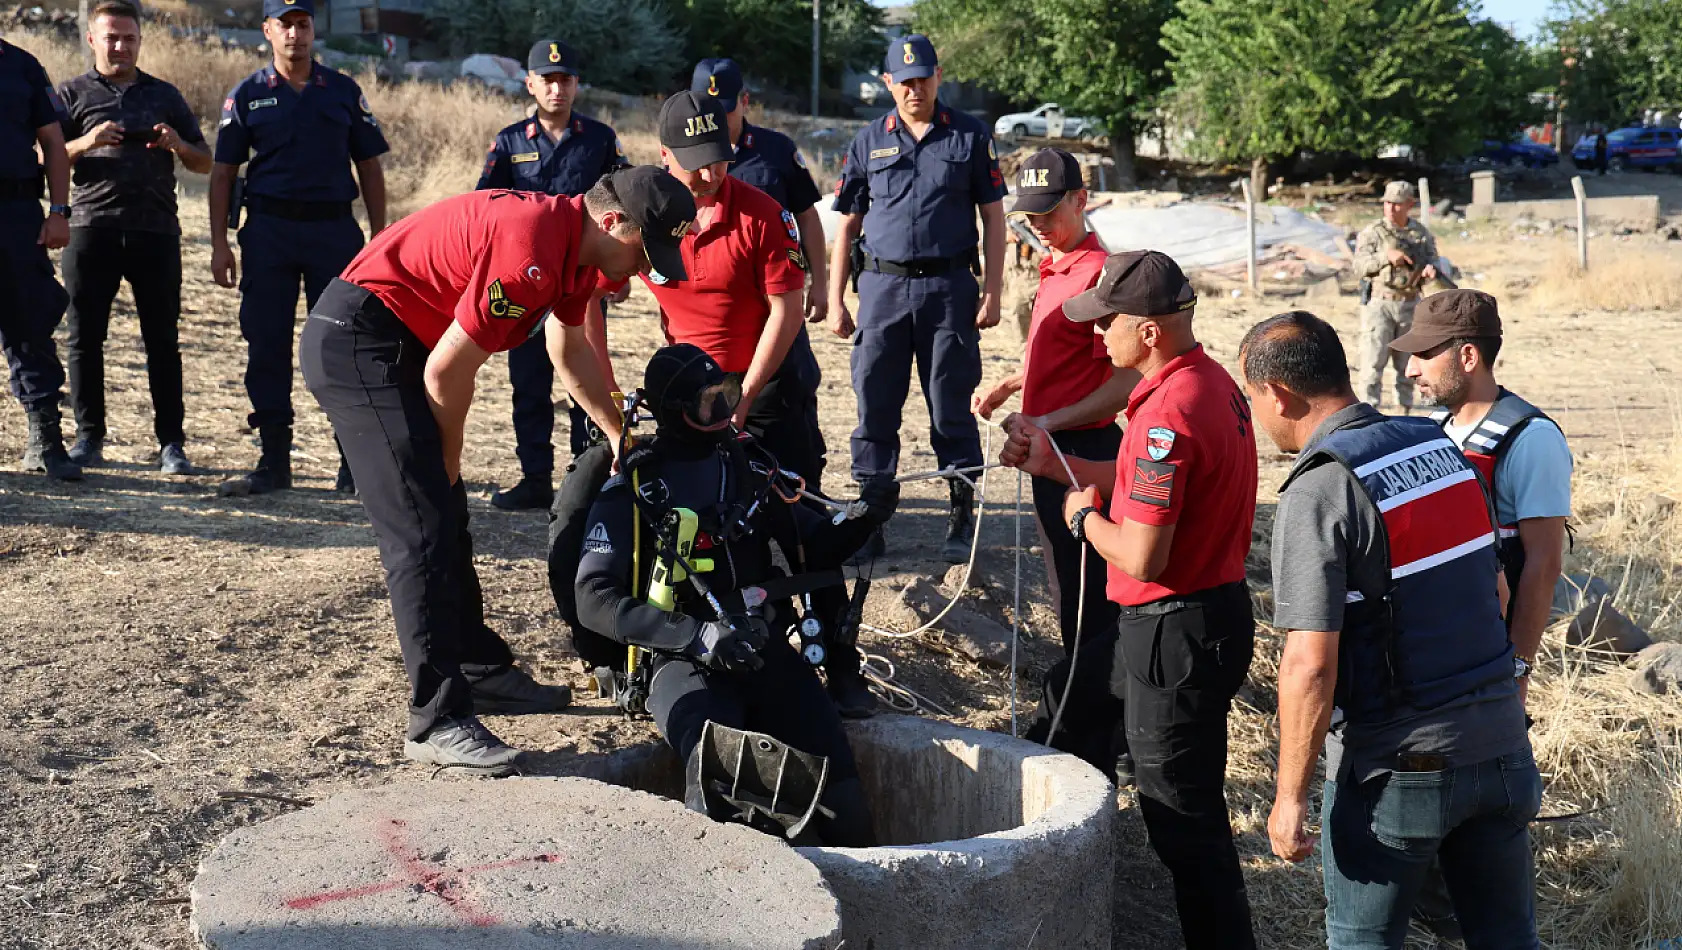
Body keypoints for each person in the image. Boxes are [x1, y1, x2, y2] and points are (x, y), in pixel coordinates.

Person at [300, 165, 696, 768]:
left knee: (442, 512)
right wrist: (449, 462)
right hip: (358, 339)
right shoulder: (532, 249)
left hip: (403, 339)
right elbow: (446, 375)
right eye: (646, 251)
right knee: (422, 522)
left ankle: (479, 668)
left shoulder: (573, 246)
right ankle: (436, 719)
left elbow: (568, 348)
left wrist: (619, 432)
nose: (645, 270)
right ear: (613, 221)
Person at [1242, 309, 1540, 950]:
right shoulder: (1438, 446)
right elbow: (1497, 588)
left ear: (1278, 394)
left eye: (1254, 400)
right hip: (1502, 747)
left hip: (1403, 769)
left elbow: (1309, 666)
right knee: (1507, 938)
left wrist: (1289, 797)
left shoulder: (1322, 487)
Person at [1000, 250, 1258, 950]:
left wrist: (1082, 519)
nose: (1093, 335)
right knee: (1078, 698)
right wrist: (1053, 463)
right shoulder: (1207, 382)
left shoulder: (1163, 414)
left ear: (1147, 332)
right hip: (1205, 615)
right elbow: (1134, 478)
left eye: (1104, 321)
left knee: (1183, 821)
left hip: (1172, 627)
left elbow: (1143, 552)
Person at [572, 342, 897, 845]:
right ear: (677, 412)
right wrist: (697, 636)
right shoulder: (636, 488)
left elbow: (814, 540)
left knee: (840, 788)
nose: (725, 409)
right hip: (682, 659)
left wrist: (867, 515)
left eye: (727, 393)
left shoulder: (746, 468)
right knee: (719, 785)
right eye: (710, 401)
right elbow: (593, 596)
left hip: (759, 646)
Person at [830, 33, 1008, 562]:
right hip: (882, 290)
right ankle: (874, 513)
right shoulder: (868, 141)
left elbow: (994, 218)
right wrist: (837, 298)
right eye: (904, 82)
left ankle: (960, 509)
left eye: (923, 79)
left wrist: (994, 290)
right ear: (888, 82)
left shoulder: (971, 137)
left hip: (949, 290)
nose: (914, 90)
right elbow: (846, 226)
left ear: (937, 75)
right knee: (875, 404)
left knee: (951, 403)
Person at [211, 0, 388, 496]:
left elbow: (370, 166)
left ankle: (353, 462)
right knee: (266, 343)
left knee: (341, 345)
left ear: (313, 30)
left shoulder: (343, 92)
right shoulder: (248, 94)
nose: (294, 34)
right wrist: (221, 245)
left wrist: (380, 239)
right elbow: (224, 172)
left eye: (302, 24)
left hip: (334, 235)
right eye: (284, 25)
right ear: (268, 31)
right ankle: (274, 460)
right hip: (268, 233)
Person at [974, 147, 1136, 657]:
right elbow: (1059, 357)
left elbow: (1123, 381)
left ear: (1081, 199)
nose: (1039, 223)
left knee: (1090, 590)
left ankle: (1095, 701)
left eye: (1049, 211)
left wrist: (1047, 420)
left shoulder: (1099, 275)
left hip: (1082, 448)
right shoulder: (1053, 266)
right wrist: (1009, 383)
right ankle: (1079, 683)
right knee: (1062, 579)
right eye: (1031, 214)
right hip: (1048, 443)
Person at [56, 0, 212, 474]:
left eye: (129, 37)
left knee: (163, 340)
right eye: (111, 37)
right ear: (92, 39)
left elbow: (205, 160)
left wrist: (177, 144)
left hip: (156, 231)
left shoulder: (164, 95)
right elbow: (46, 157)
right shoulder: (70, 94)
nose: (120, 46)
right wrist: (87, 141)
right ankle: (89, 438)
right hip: (90, 227)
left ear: (140, 41)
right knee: (85, 339)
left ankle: (171, 444)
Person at [1395, 290, 1570, 701]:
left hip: (1487, 663)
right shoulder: (1437, 426)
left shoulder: (1532, 440)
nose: (1409, 370)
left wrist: (1518, 670)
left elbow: (1543, 565)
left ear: (1468, 357)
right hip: (1437, 652)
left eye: (1423, 354)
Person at [476, 38, 627, 512]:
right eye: (547, 79)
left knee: (586, 375)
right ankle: (534, 476)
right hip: (524, 283)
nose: (556, 88)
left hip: (580, 282)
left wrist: (616, 275)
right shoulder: (509, 142)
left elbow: (623, 207)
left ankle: (590, 473)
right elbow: (486, 208)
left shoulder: (600, 140)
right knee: (528, 380)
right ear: (530, 84)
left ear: (576, 84)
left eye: (565, 79)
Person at [690, 57, 829, 487]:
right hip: (722, 313)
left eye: (725, 110)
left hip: (777, 301)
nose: (715, 120)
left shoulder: (777, 150)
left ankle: (804, 500)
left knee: (792, 400)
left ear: (744, 102)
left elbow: (807, 217)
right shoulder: (685, 158)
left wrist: (820, 284)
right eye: (705, 111)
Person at [0, 35, 79, 480]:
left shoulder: (22, 65)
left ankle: (46, 439)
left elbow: (52, 142)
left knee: (29, 322)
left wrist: (59, 211)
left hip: (15, 214)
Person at [1352, 181, 1436, 411]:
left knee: (1407, 365)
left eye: (1397, 204)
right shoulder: (1374, 233)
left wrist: (1431, 270)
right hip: (1380, 303)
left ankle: (1404, 411)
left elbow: (1433, 261)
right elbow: (1359, 266)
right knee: (1372, 364)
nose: (1391, 208)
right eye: (1388, 203)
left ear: (1410, 204)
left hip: (1410, 304)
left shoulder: (1420, 234)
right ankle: (1369, 413)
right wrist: (1385, 257)